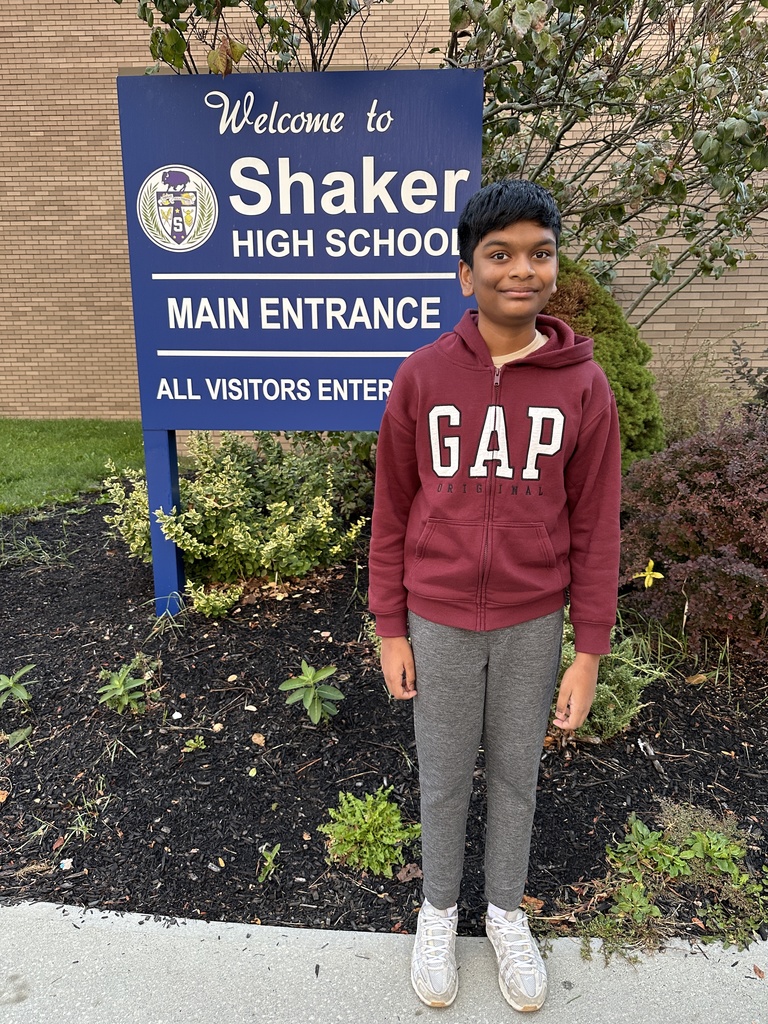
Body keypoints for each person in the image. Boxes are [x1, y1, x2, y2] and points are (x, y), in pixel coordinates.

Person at [368, 179, 622, 1012]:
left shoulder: (584, 387)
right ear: (465, 271)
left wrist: (588, 652)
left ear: (556, 265)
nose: (522, 269)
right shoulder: (422, 377)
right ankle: (438, 911)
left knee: (517, 776)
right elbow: (392, 510)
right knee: (443, 777)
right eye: (500, 254)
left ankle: (505, 913)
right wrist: (391, 627)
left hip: (531, 621)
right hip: (437, 619)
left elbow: (596, 528)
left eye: (540, 253)